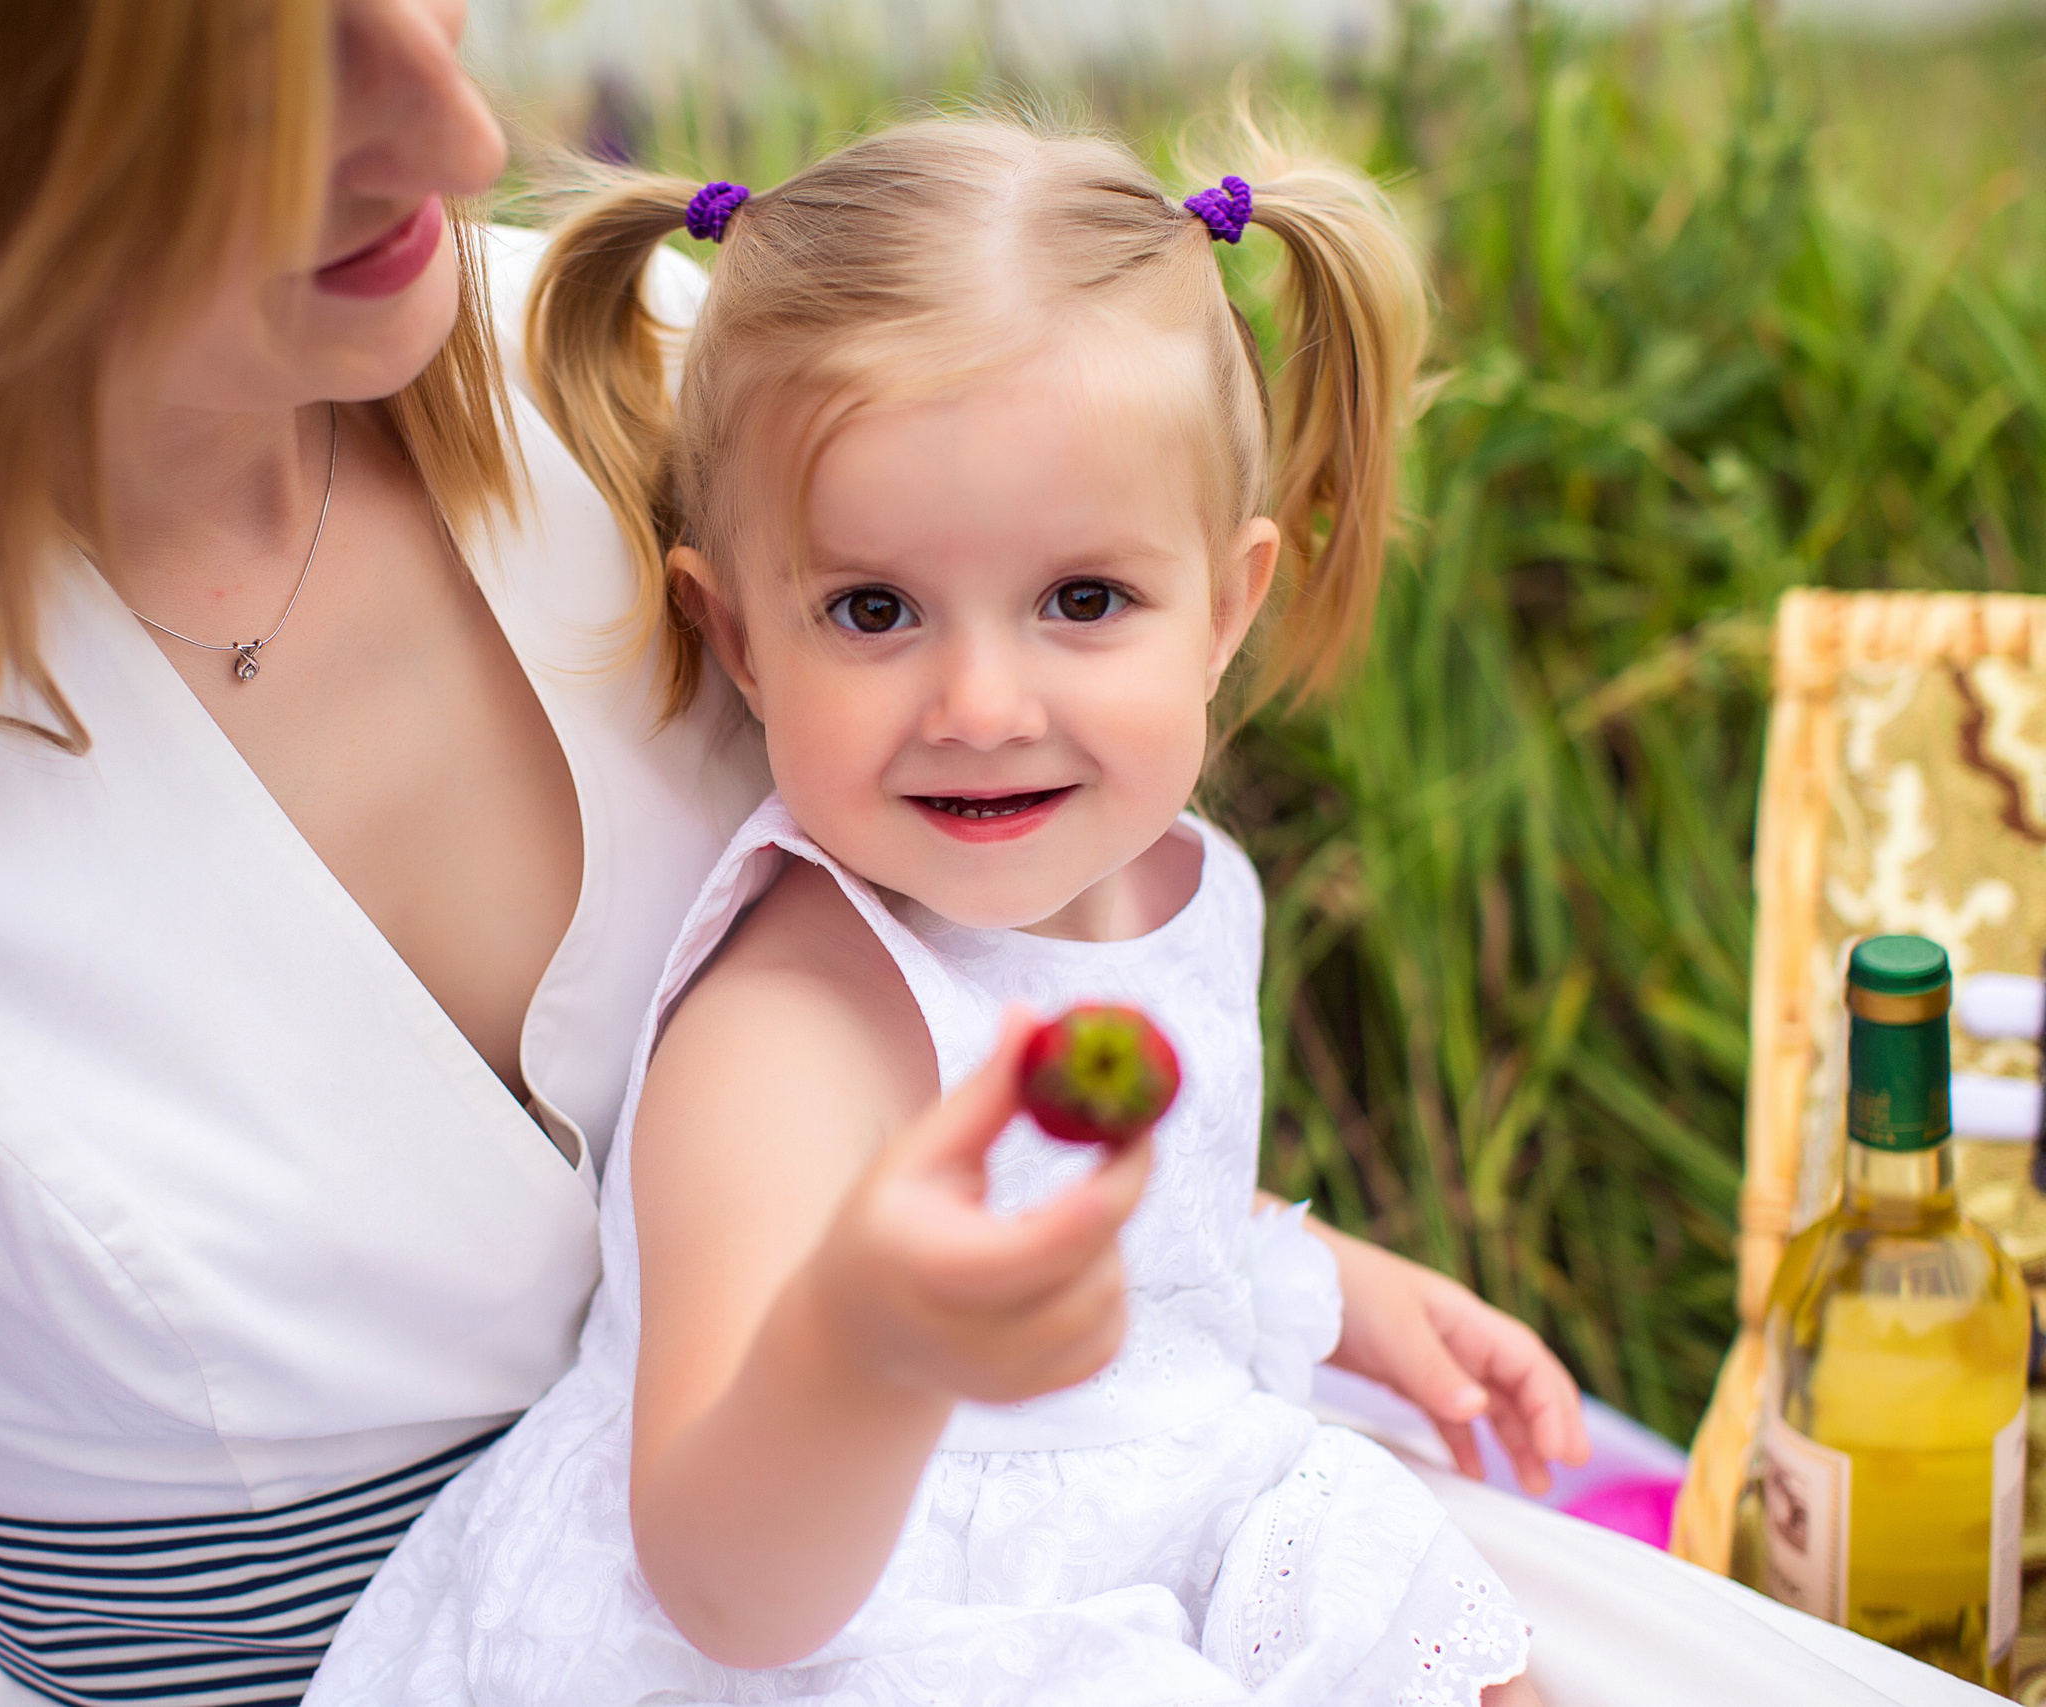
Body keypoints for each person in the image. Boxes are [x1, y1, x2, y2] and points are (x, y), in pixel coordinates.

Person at [0, 9, 1592, 1707]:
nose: (460, 127)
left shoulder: (633, 362)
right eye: (252, 74)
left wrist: (1276, 1271)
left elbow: (1004, 971)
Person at [304, 116, 1583, 1707]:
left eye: (1083, 600)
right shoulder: (801, 1022)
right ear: (743, 637)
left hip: (1131, 1495)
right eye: (874, 610)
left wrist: (1335, 1293)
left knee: (1474, 1653)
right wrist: (867, 1346)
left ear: (1228, 603)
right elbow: (721, 1585)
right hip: (862, 1609)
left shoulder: (1184, 878)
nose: (981, 704)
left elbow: (1136, 1213)